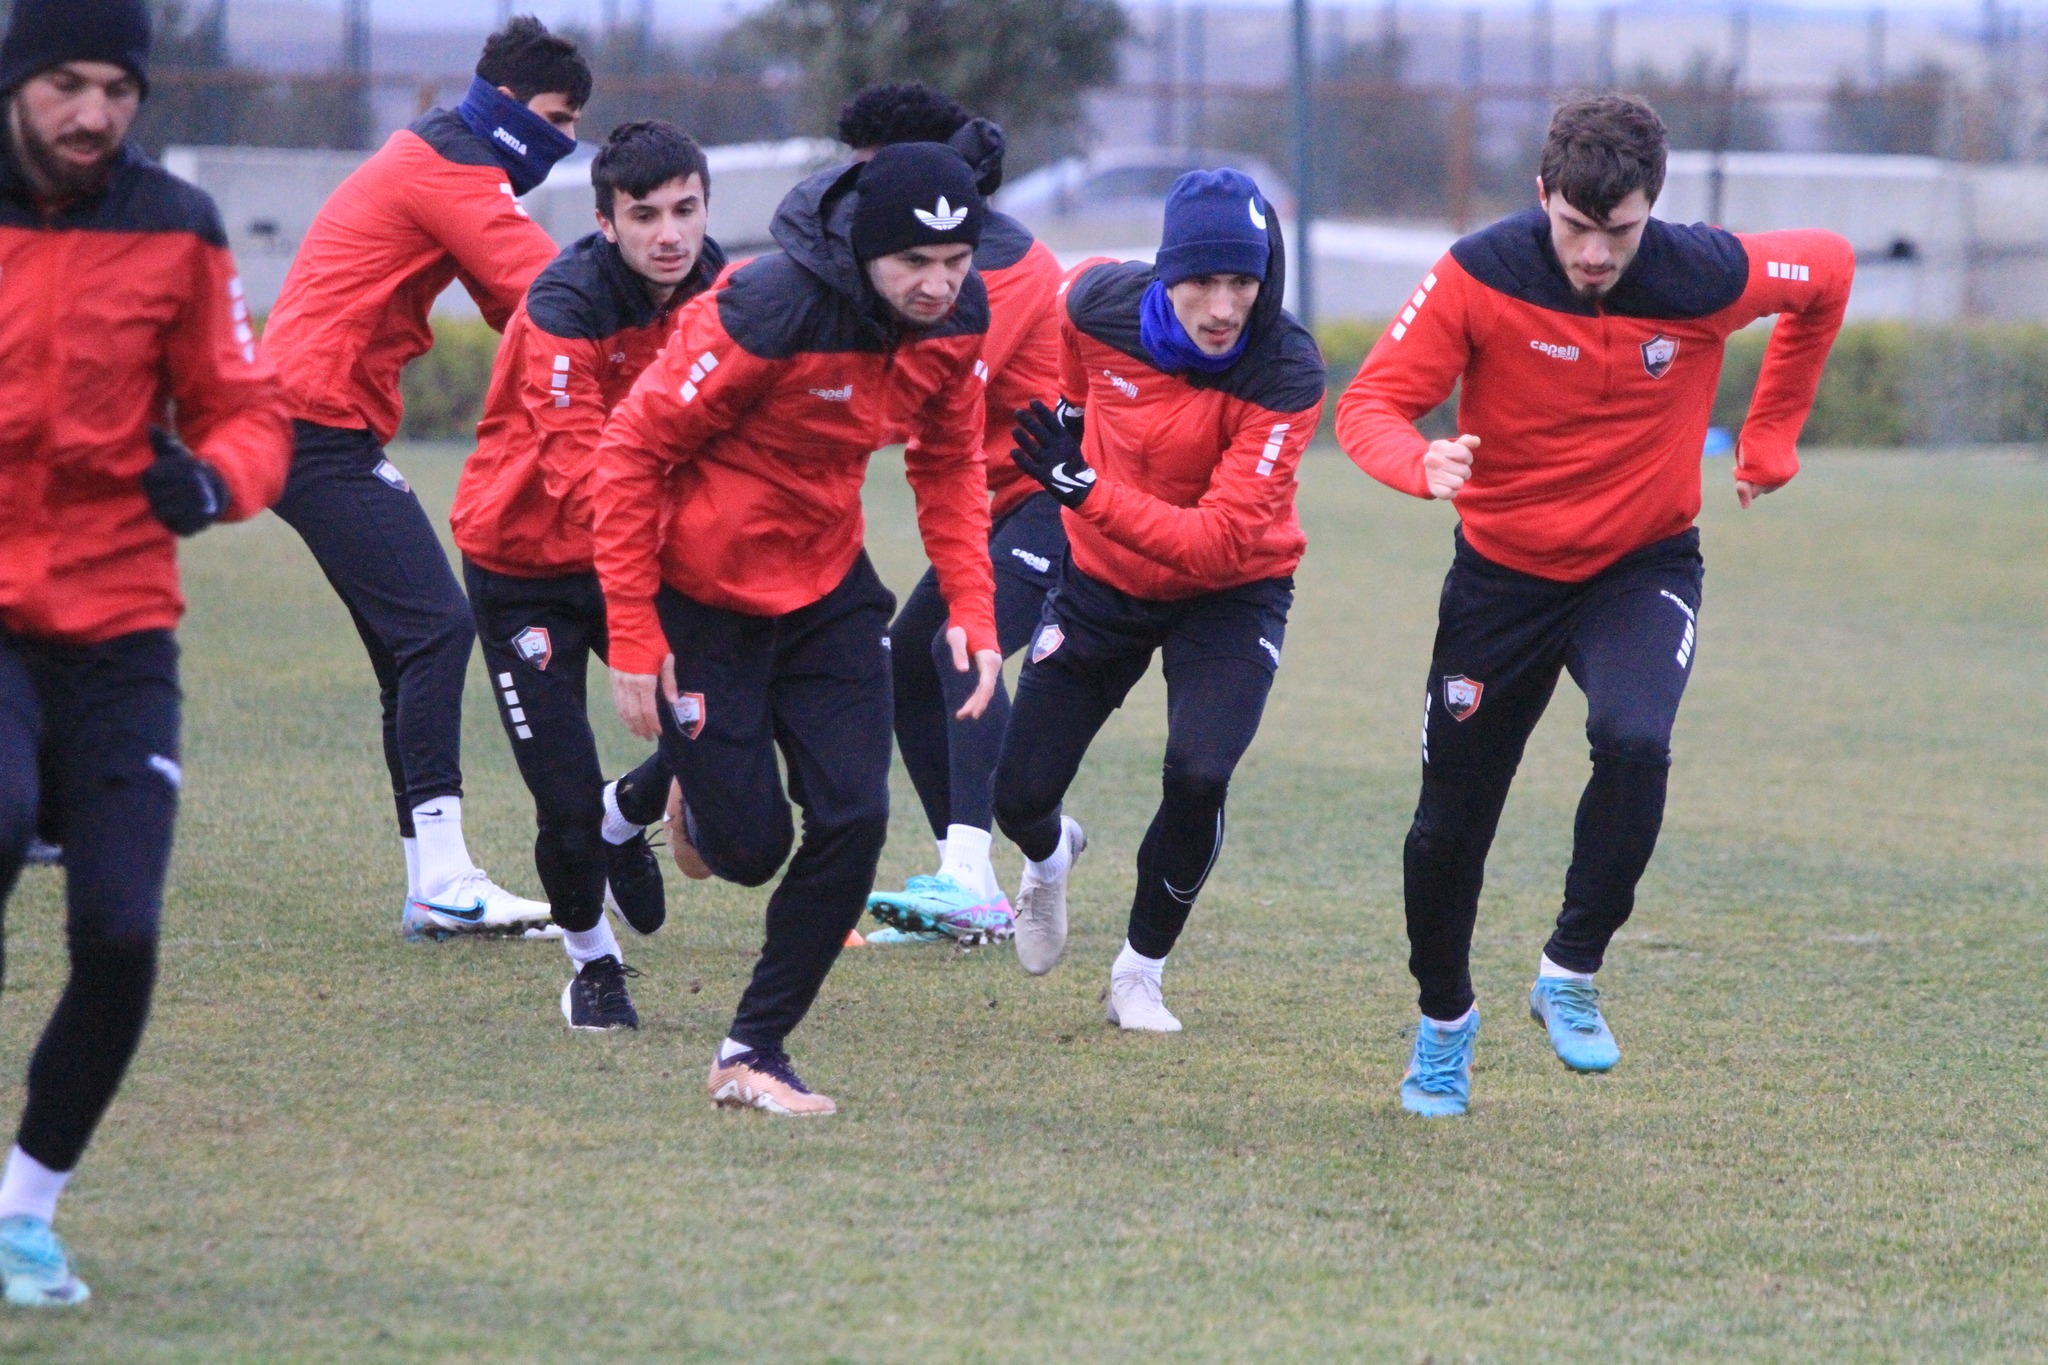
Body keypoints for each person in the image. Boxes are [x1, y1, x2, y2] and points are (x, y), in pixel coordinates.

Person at [1337, 93, 1852, 1117]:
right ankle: (1444, 1024)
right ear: (1541, 198)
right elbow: (1367, 404)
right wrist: (1416, 460)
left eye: (1614, 232)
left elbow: (1826, 270)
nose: (1589, 254)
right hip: (1501, 579)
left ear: (1648, 209)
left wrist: (1769, 437)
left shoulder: (1700, 272)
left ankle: (1568, 970)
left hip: (1640, 567)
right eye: (1571, 228)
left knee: (1634, 742)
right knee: (1447, 830)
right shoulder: (1477, 274)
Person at [592, 142, 1001, 1115]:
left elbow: (946, 462)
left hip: (826, 593)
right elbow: (631, 453)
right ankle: (692, 792)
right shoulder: (764, 309)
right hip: (704, 601)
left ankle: (752, 1051)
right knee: (747, 851)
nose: (940, 286)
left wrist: (974, 609)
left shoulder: (956, 324)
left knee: (857, 818)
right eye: (916, 265)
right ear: (863, 252)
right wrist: (634, 635)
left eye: (957, 263)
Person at [0, 0, 291, 1305]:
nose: (93, 114)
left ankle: (23, 1214)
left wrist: (214, 481)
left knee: (119, 933)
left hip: (121, 627)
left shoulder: (176, 225)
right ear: (19, 85)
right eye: (66, 83)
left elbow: (243, 408)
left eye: (118, 88)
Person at [259, 16, 592, 940]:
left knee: (406, 647)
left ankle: (434, 883)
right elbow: (547, 290)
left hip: (309, 421)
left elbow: (513, 303)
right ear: (514, 106)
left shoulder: (443, 158)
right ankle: (444, 880)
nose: (565, 142)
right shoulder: (450, 166)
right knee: (438, 630)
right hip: (310, 426)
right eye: (559, 118)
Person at [989, 169, 1324, 1031]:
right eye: (1200, 282)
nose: (1221, 307)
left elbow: (1215, 541)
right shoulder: (1100, 301)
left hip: (1231, 591)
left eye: (1241, 283)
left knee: (1200, 770)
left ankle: (1139, 970)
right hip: (1102, 582)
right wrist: (1069, 406)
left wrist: (1084, 487)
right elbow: (1067, 328)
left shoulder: (1285, 368)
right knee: (1017, 797)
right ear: (1164, 273)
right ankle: (1052, 854)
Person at [451, 121, 725, 1030]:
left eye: (685, 210)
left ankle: (626, 814)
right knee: (558, 801)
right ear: (605, 222)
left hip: (637, 554)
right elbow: (581, 477)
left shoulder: (717, 287)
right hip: (524, 567)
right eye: (643, 215)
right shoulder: (564, 304)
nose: (669, 234)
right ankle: (591, 961)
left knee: (715, 735)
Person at [832, 84, 1068, 946]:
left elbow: (913, 403)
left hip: (1056, 498)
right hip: (995, 502)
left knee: (955, 643)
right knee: (904, 662)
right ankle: (966, 889)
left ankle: (973, 876)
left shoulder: (995, 271)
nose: (855, 201)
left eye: (871, 179)